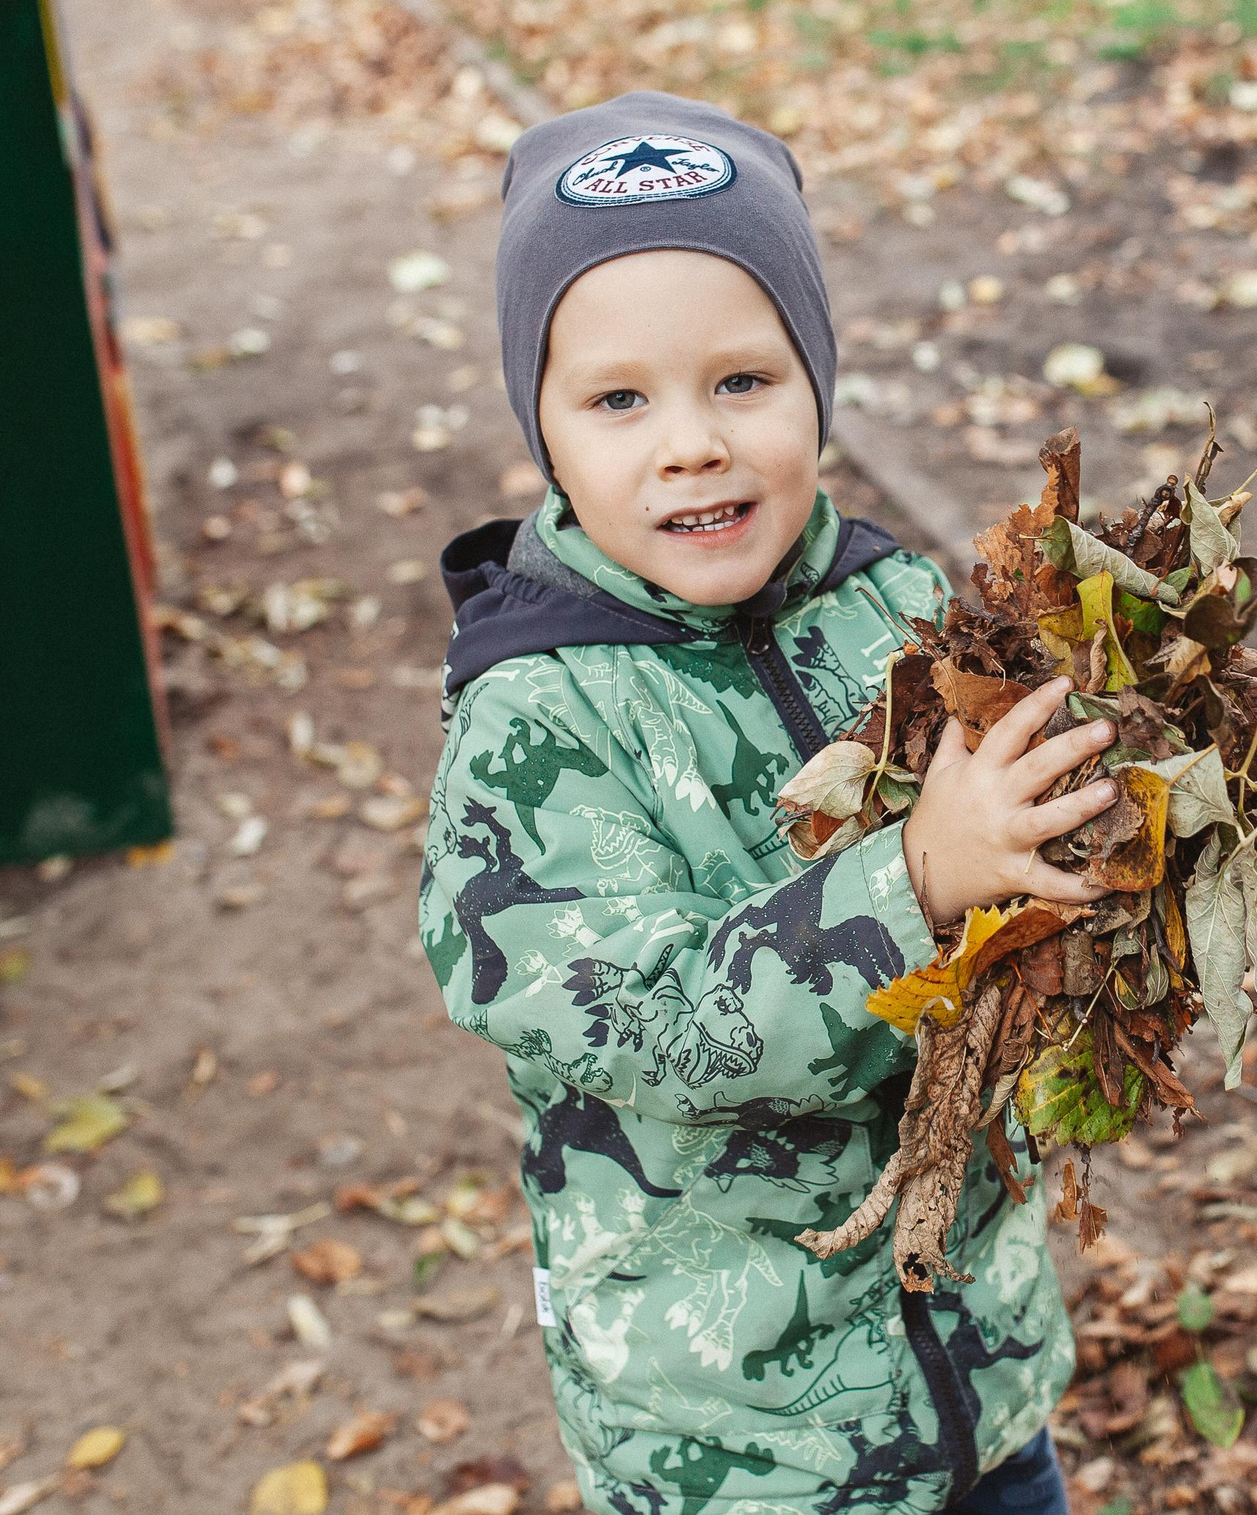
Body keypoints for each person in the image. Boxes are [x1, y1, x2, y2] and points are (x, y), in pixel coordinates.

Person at [421, 91, 1115, 1515]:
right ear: (542, 426)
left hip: (973, 1376)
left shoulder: (900, 606)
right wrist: (914, 878)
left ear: (818, 384)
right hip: (743, 1441)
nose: (691, 444)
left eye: (744, 380)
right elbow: (658, 1026)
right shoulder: (536, 723)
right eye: (620, 399)